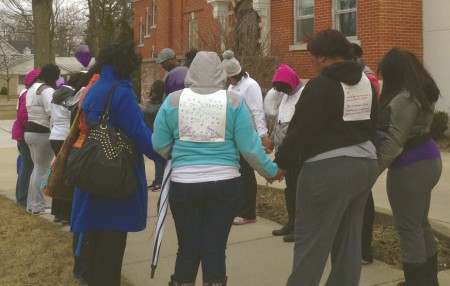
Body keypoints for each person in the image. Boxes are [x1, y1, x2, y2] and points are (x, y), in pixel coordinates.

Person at [152, 51, 283, 286]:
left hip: (184, 185)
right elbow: (250, 148)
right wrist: (271, 171)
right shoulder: (233, 101)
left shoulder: (173, 101)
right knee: (214, 247)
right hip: (225, 184)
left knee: (188, 247)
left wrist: (179, 154)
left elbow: (159, 144)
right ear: (222, 74)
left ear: (190, 73)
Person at [275, 29, 378, 286]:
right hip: (365, 164)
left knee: (311, 240)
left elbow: (301, 129)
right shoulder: (366, 81)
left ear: (321, 57)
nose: (311, 60)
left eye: (312, 56)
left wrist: (281, 163)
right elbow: (375, 123)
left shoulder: (321, 85)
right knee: (348, 241)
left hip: (328, 169)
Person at [70, 41, 162, 286]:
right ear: (124, 66)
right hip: (116, 179)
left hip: (93, 174)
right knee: (112, 249)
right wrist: (166, 155)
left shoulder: (94, 88)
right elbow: (140, 135)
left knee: (96, 243)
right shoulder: (121, 94)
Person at [377, 48, 442, 286]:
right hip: (428, 158)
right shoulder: (421, 91)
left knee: (409, 228)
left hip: (410, 165)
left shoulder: (405, 98)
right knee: (420, 223)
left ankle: (416, 282)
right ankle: (428, 281)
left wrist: (371, 172)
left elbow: (395, 142)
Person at [221, 49, 274, 225]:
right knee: (238, 173)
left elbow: (257, 110)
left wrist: (263, 134)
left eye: (228, 78)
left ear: (235, 74)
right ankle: (238, 208)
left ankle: (248, 212)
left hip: (247, 134)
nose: (227, 81)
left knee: (246, 174)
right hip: (234, 137)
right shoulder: (232, 86)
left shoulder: (251, 86)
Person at [351, 42, 381, 264]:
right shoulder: (355, 78)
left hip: (364, 144)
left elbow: (372, 113)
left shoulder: (367, 80)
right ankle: (358, 249)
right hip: (357, 146)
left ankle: (364, 251)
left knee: (363, 198)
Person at [268, 64, 304, 243]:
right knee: (290, 188)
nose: (283, 91)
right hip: (285, 151)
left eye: (284, 87)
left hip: (297, 152)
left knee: (299, 189)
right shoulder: (285, 97)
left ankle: (300, 227)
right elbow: (279, 122)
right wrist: (272, 141)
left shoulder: (304, 94)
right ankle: (291, 223)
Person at [49, 72, 88, 224]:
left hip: (55, 136)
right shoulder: (75, 95)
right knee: (68, 177)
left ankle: (58, 212)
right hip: (67, 137)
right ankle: (66, 214)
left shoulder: (57, 93)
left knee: (59, 173)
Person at [24, 64, 61, 215]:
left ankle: (32, 204)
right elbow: (52, 113)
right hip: (42, 132)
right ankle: (39, 206)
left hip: (30, 132)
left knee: (36, 169)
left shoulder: (32, 88)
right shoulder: (47, 90)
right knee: (42, 170)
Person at [11, 69, 40, 208]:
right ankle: (22, 198)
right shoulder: (28, 93)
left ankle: (23, 195)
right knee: (28, 165)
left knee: (27, 165)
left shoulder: (26, 92)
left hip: (22, 132)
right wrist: (32, 127)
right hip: (24, 133)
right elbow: (23, 115)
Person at [143, 79, 165, 191]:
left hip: (158, 132)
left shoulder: (162, 104)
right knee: (156, 159)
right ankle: (157, 180)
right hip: (150, 131)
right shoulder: (150, 102)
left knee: (159, 158)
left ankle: (160, 181)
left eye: (154, 89)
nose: (152, 91)